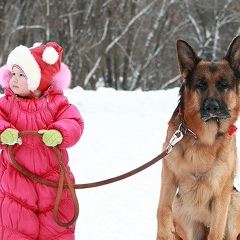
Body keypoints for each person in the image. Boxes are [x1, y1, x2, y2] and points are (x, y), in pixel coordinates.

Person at [0, 42, 84, 239]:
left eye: (22, 75)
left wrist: (60, 132)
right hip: (15, 180)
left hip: (53, 179)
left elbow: (74, 122)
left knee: (56, 229)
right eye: (13, 74)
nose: (14, 80)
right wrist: (3, 131)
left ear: (40, 81)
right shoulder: (6, 104)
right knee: (17, 228)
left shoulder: (58, 103)